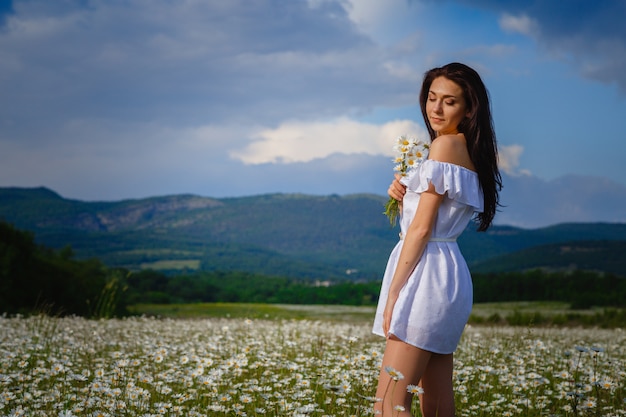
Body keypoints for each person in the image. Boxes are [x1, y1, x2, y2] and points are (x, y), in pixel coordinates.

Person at [372, 62, 502, 417]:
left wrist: (394, 294)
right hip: (448, 274)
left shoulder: (444, 147)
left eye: (449, 101)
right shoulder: (467, 150)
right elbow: (429, 218)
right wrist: (404, 196)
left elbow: (420, 230)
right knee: (438, 407)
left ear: (470, 108)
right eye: (431, 98)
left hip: (424, 276)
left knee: (388, 406)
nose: (436, 109)